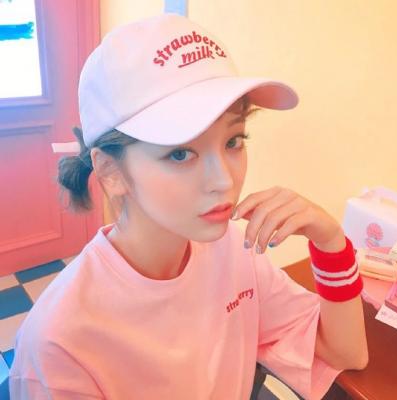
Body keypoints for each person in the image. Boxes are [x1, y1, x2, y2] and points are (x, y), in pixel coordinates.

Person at [9, 13, 368, 400]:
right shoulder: (61, 341)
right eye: (180, 153)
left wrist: (331, 242)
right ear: (110, 171)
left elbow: (345, 353)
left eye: (233, 141)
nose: (224, 181)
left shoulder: (234, 251)